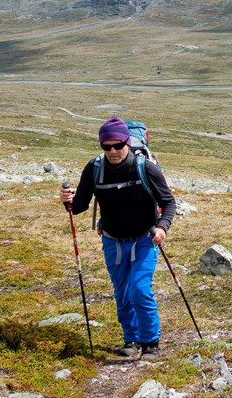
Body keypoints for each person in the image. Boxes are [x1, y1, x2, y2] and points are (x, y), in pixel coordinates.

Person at [60, 116, 177, 359]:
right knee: (122, 290)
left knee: (139, 288)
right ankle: (131, 339)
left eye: (118, 145)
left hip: (145, 237)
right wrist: (67, 201)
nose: (112, 151)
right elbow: (79, 206)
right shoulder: (94, 168)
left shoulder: (145, 168)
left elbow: (168, 202)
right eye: (106, 146)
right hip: (112, 239)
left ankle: (150, 343)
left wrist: (163, 227)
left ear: (127, 142)